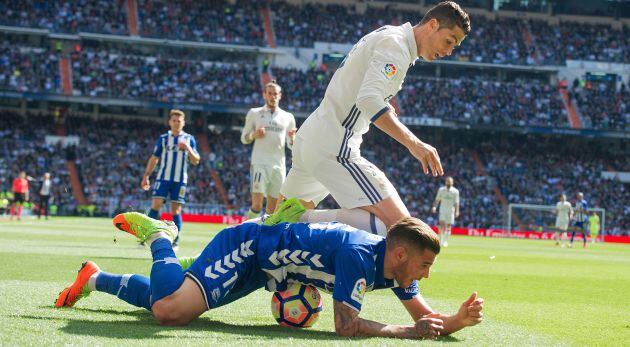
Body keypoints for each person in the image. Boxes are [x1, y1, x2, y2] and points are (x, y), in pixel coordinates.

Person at [56, 211, 484, 339]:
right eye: (425, 265)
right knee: (170, 313)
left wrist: (455, 321)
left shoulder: (396, 269)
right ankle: (160, 238)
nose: (425, 276)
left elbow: (424, 322)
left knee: (171, 303)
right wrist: (401, 334)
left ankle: (94, 278)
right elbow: (345, 326)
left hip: (264, 272)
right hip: (248, 248)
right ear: (403, 252)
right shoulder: (359, 255)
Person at [276, 2, 470, 234]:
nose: (449, 51)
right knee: (403, 230)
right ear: (432, 25)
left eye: (454, 47)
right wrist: (414, 143)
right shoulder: (396, 47)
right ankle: (306, 219)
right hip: (335, 147)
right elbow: (368, 100)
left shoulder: (390, 35)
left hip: (312, 138)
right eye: (449, 41)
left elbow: (361, 87)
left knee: (276, 230)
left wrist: (384, 103)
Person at [140, 109, 200, 249]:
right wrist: (146, 176)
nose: (176, 123)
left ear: (183, 123)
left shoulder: (189, 139)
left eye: (179, 121)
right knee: (155, 206)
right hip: (163, 178)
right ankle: (147, 237)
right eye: (174, 120)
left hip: (180, 180)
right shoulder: (163, 139)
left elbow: (196, 160)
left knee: (176, 210)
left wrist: (188, 149)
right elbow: (154, 158)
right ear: (169, 122)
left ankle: (175, 241)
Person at [241, 81, 297, 219]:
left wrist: (292, 138)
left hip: (279, 165)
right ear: (264, 95)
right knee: (257, 205)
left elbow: (291, 145)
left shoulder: (288, 117)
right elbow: (244, 138)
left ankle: (265, 238)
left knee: (272, 209)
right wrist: (254, 134)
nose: (273, 96)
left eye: (275, 94)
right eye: (270, 93)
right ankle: (246, 234)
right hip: (259, 163)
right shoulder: (254, 113)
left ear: (280, 96)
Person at [431, 176, 460, 247]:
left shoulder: (455, 191)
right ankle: (441, 241)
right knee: (441, 225)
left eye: (450, 181)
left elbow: (457, 202)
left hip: (450, 211)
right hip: (442, 209)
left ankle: (445, 241)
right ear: (445, 182)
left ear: (452, 183)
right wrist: (434, 206)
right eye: (447, 181)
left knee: (448, 226)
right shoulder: (441, 190)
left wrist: (457, 211)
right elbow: (437, 199)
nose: (448, 182)